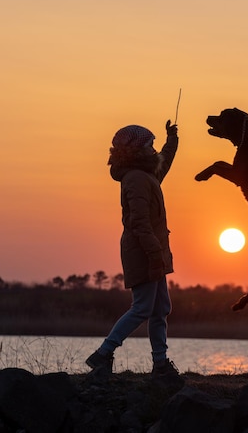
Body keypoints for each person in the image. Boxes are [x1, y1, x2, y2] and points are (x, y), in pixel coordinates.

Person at [86, 119, 182, 384]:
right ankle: (104, 353)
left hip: (153, 251)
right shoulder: (137, 179)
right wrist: (154, 254)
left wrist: (171, 139)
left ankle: (160, 364)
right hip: (143, 251)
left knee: (160, 307)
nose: (154, 149)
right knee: (142, 308)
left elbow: (165, 161)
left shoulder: (147, 175)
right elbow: (139, 223)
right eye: (150, 145)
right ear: (138, 150)